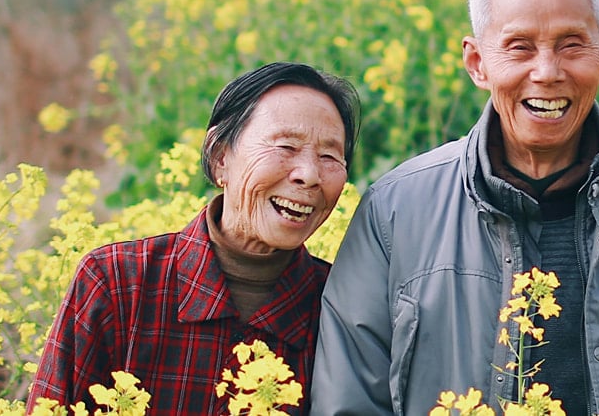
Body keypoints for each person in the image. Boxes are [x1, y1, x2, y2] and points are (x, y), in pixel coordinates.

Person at [310, 0, 599, 414]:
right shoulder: (393, 212)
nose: (547, 72)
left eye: (572, 45)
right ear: (477, 62)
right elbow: (348, 402)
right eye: (519, 47)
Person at [30, 62, 359, 414]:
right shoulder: (116, 284)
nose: (309, 175)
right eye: (285, 147)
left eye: (329, 156)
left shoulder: (341, 310)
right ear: (220, 157)